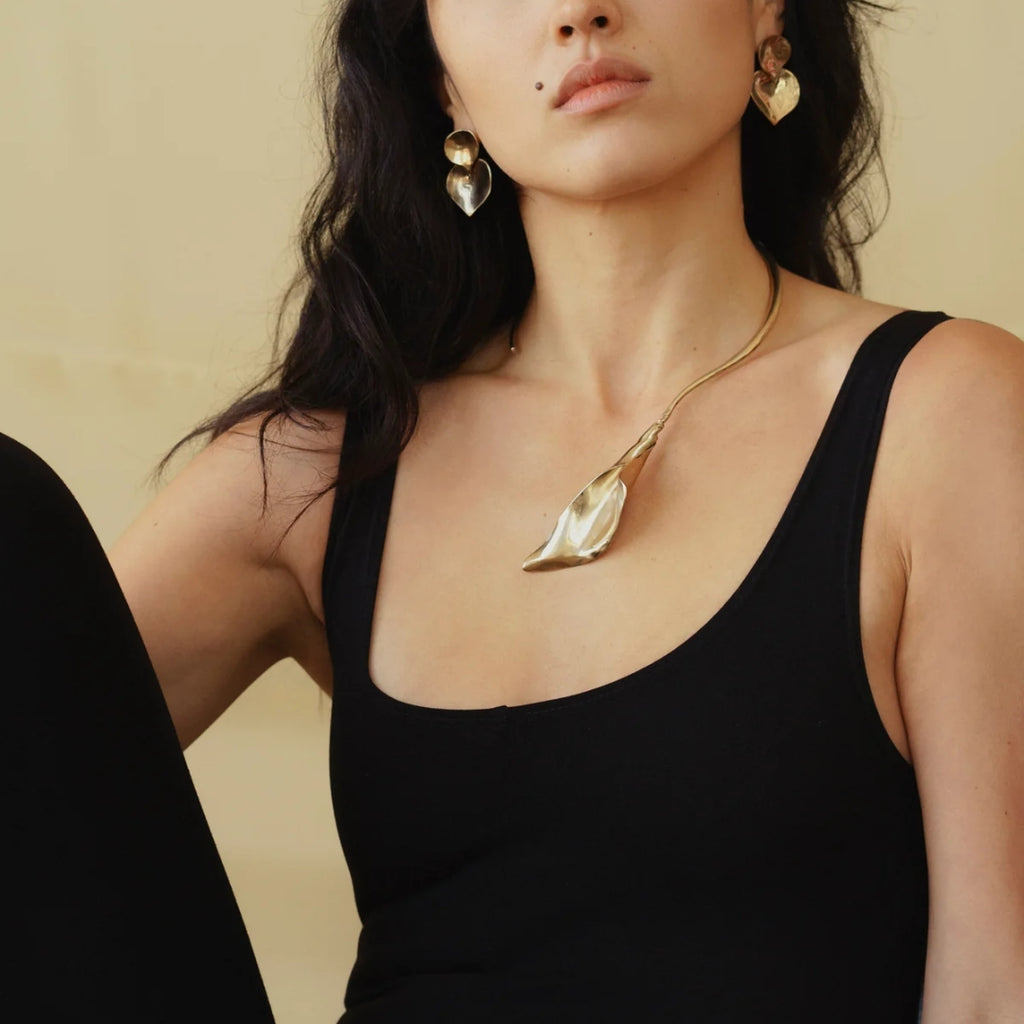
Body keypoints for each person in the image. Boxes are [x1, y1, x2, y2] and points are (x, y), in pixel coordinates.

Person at [109, 1, 1024, 1021]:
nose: (579, 12)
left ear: (768, 9)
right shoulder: (317, 479)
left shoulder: (947, 413)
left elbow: (996, 985)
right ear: (440, 80)